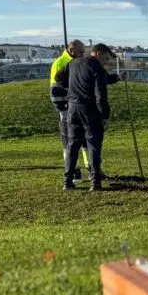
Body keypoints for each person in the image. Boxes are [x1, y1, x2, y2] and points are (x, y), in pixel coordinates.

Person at [54, 43, 121, 191]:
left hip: (72, 108)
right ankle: (95, 181)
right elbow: (100, 95)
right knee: (93, 144)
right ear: (98, 53)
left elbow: (58, 77)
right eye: (106, 58)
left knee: (72, 144)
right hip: (89, 109)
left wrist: (70, 87)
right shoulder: (96, 67)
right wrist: (105, 115)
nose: (107, 62)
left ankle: (68, 181)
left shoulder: (73, 63)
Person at [49, 39, 90, 181]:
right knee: (69, 141)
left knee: (84, 139)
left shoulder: (78, 62)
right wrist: (64, 110)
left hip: (77, 107)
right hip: (67, 109)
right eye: (80, 52)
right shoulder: (60, 63)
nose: (82, 55)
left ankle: (90, 168)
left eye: (83, 52)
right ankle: (73, 172)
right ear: (71, 50)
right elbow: (55, 89)